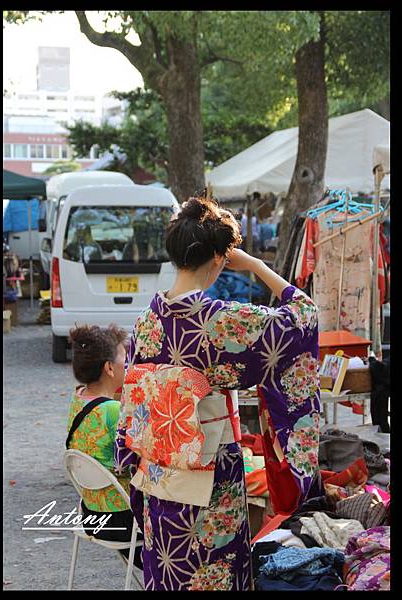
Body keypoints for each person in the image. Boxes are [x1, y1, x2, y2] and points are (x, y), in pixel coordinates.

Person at [114, 194, 321, 591]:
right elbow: (303, 318)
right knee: (215, 575)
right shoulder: (219, 322)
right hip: (210, 480)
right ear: (219, 258)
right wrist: (258, 266)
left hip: (159, 479)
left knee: (171, 574)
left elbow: (131, 409)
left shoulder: (146, 322)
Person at [67, 324, 143, 568]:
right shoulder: (112, 410)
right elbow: (141, 453)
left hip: (92, 515)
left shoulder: (79, 397)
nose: (128, 363)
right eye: (124, 357)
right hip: (123, 523)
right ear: (109, 368)